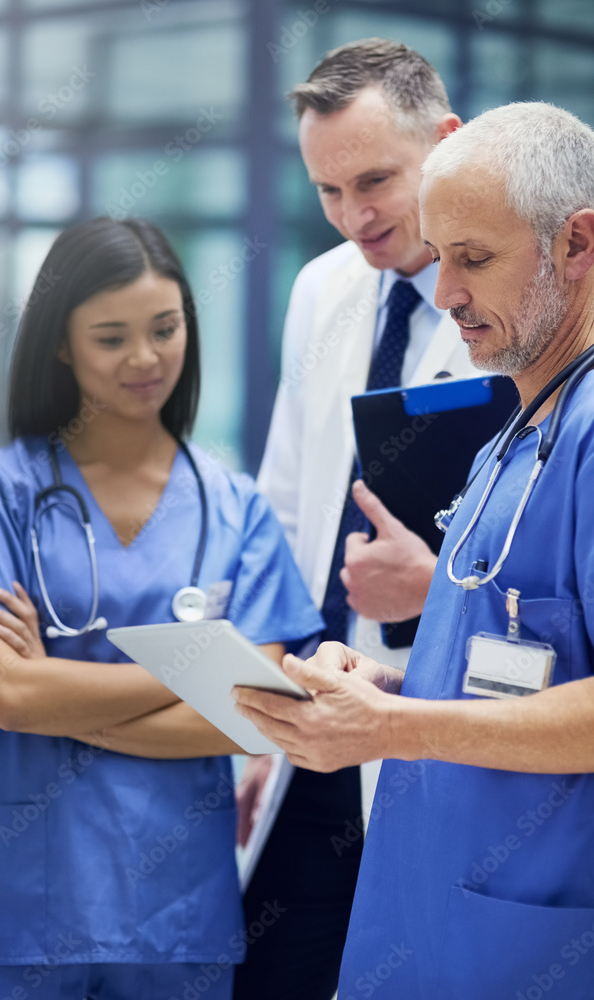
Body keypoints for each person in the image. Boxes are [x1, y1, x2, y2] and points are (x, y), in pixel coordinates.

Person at [235, 101, 594, 998]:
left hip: (526, 940)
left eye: (472, 260)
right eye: (440, 260)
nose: (444, 296)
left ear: (579, 246)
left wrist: (394, 726)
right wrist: (390, 687)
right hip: (430, 916)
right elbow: (521, 666)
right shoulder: (510, 436)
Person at [0, 217, 323, 1000]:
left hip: (172, 912)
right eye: (111, 337)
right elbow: (9, 695)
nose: (145, 359)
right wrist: (198, 663)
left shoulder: (235, 510)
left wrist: (55, 694)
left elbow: (253, 718)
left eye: (165, 328)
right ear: (61, 344)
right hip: (9, 903)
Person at [234, 38, 481, 1000]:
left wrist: (433, 592)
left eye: (374, 180)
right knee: (271, 969)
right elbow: (284, 505)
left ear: (448, 143)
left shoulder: (527, 308)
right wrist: (256, 731)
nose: (353, 217)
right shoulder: (322, 289)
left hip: (428, 722)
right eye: (328, 191)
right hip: (312, 723)